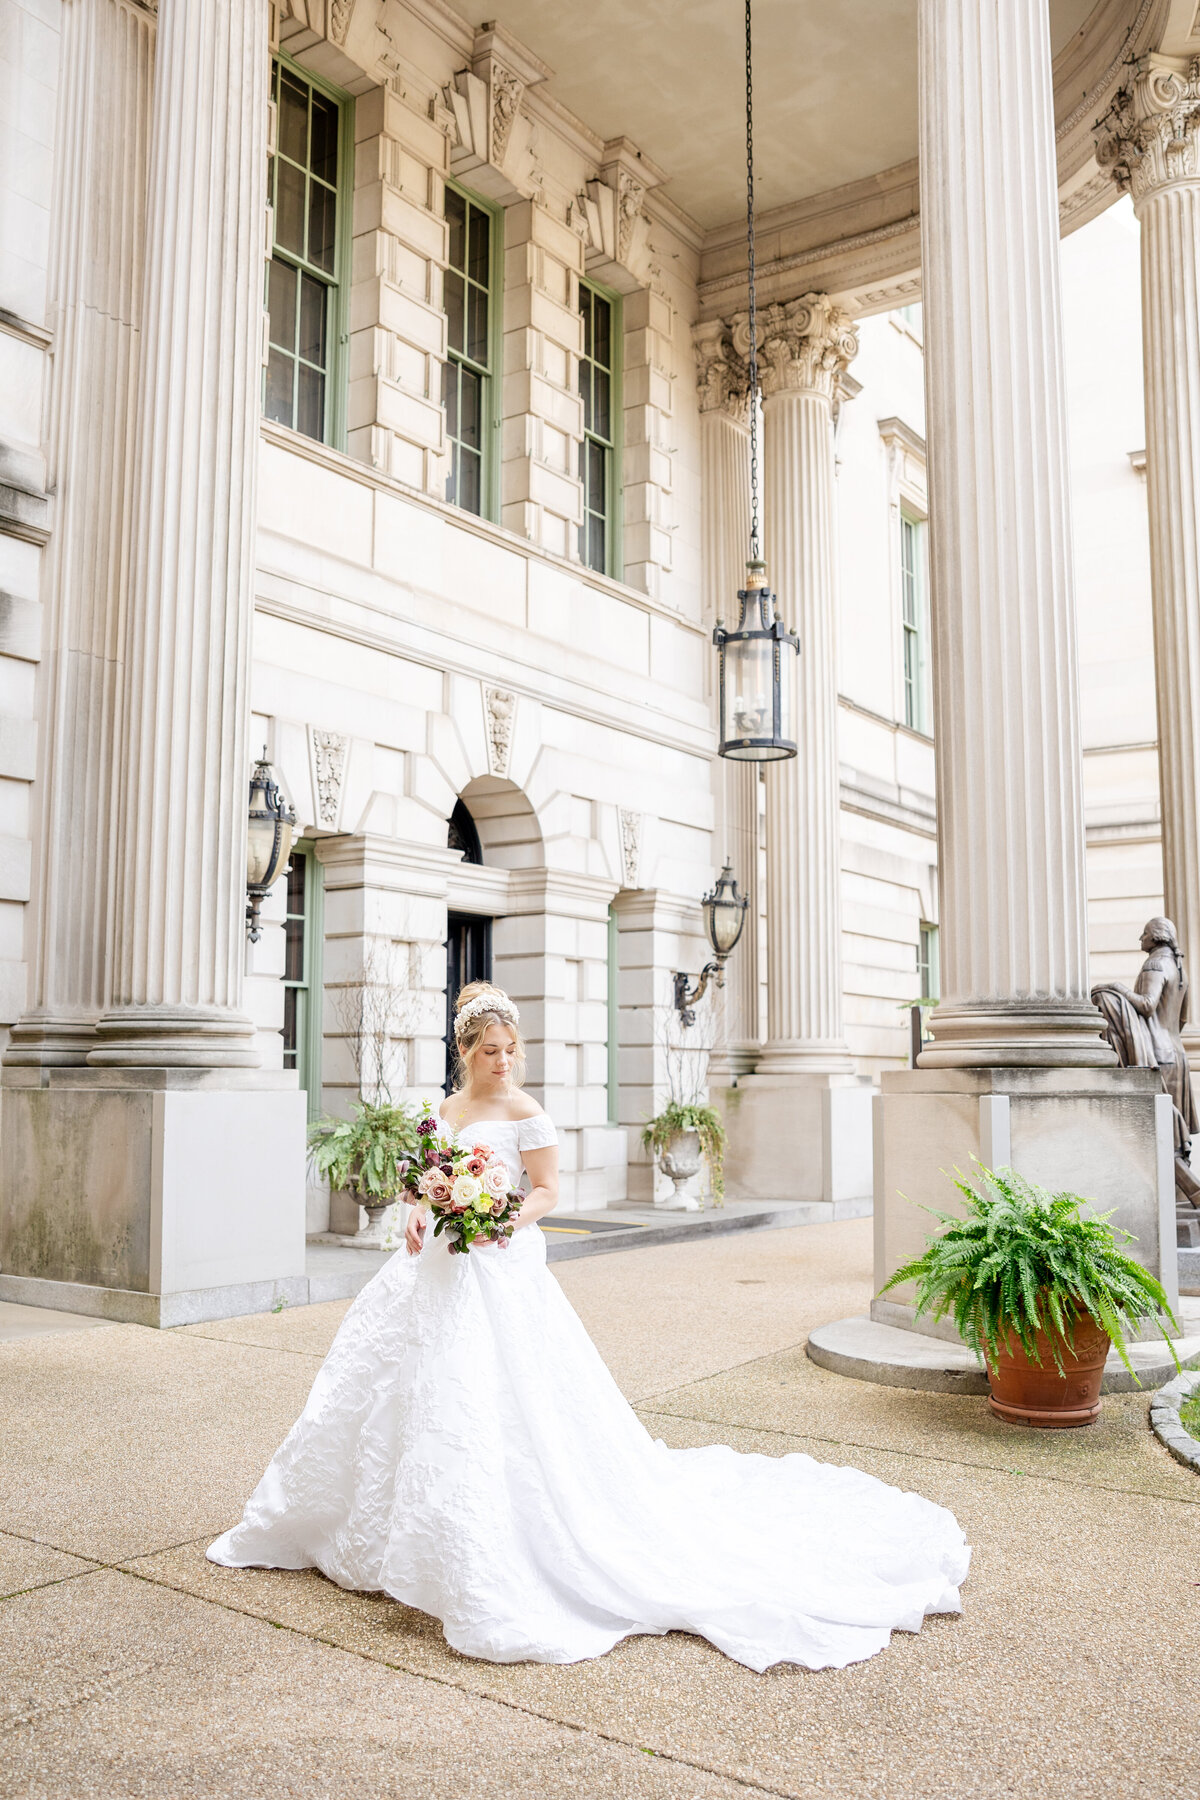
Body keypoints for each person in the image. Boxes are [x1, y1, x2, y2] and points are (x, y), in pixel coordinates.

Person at [208, 980, 969, 1672]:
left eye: (512, 1050)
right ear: (466, 1052)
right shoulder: (441, 1114)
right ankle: (369, 1532)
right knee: (389, 1390)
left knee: (488, 1399)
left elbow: (546, 1192)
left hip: (500, 1267)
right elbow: (423, 1185)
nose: (504, 1062)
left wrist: (499, 1213)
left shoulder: (526, 1115)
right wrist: (418, 1212)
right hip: (435, 1268)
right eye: (491, 1050)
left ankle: (478, 1552)